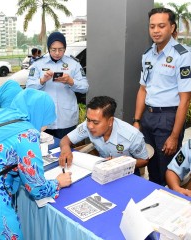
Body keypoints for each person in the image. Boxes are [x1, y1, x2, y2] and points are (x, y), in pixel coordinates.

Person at [0, 88, 72, 239]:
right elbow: (36, 187)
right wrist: (58, 183)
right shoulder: (26, 133)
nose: (45, 125)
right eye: (47, 119)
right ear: (40, 112)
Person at [133, 8, 191, 186]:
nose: (156, 30)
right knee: (151, 164)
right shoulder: (147, 55)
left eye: (161, 26)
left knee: (168, 170)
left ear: (172, 27)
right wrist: (137, 120)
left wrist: (174, 135)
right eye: (152, 26)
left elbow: (185, 99)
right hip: (148, 117)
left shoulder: (183, 55)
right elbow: (143, 90)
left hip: (168, 118)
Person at [59, 96, 149, 175]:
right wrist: (65, 148)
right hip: (102, 170)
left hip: (126, 172)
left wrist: (121, 164)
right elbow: (65, 139)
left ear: (110, 121)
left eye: (95, 122)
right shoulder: (88, 125)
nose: (90, 126)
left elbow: (144, 160)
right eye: (88, 120)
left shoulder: (132, 135)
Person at [26, 31, 89, 139]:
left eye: (60, 49)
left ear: (65, 48)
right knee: (45, 151)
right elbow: (29, 88)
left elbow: (85, 87)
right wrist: (42, 80)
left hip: (66, 119)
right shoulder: (38, 64)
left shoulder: (74, 64)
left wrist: (71, 81)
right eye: (53, 49)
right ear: (48, 48)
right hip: (44, 120)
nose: (57, 53)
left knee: (66, 151)